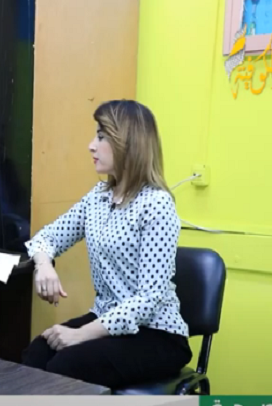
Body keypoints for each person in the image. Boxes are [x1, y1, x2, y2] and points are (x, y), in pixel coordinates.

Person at [21, 100, 192, 390]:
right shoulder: (98, 197)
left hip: (156, 333)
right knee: (37, 352)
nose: (91, 146)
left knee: (67, 366)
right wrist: (44, 264)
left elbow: (148, 299)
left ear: (128, 143)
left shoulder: (156, 204)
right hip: (107, 320)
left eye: (101, 137)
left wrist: (81, 334)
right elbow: (46, 237)